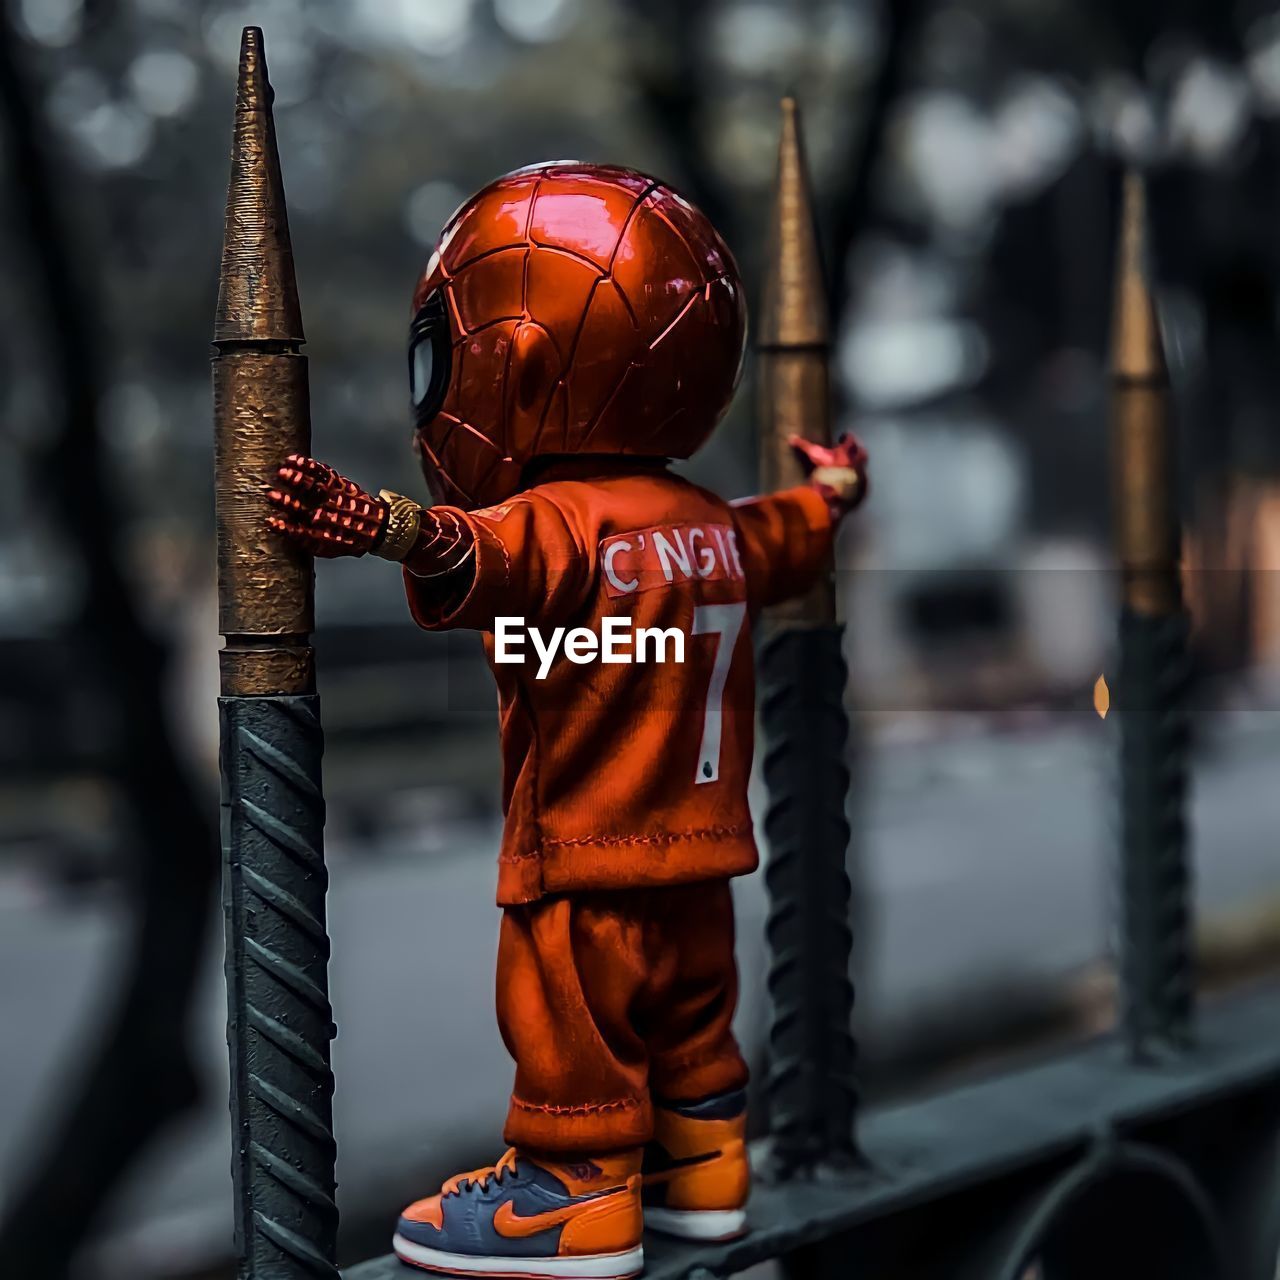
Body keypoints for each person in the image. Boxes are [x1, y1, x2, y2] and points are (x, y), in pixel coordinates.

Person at [267, 162, 868, 1280]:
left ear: (523, 362)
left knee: (565, 1023)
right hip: (701, 852)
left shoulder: (561, 522)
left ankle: (571, 1193)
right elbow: (793, 530)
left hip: (586, 858)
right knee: (695, 1016)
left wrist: (374, 521)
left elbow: (477, 549)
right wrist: (833, 491)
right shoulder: (711, 525)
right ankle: (704, 1166)